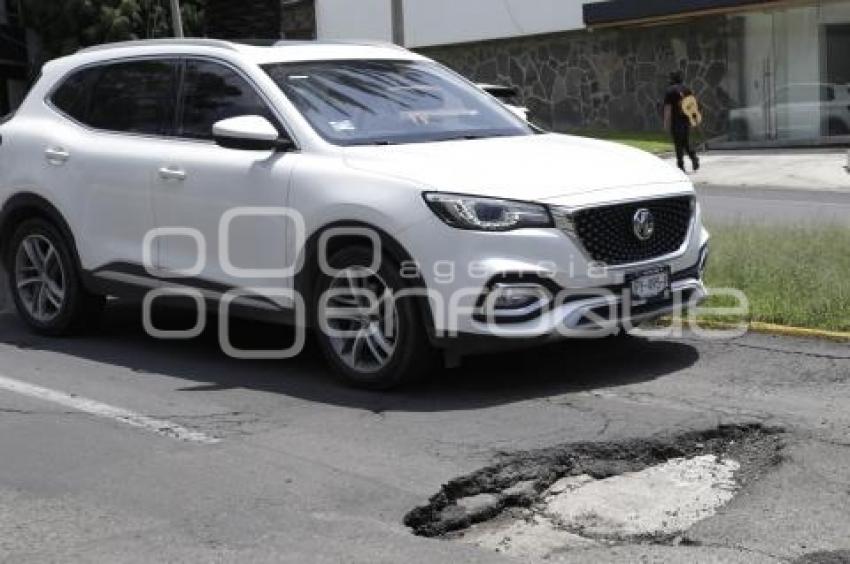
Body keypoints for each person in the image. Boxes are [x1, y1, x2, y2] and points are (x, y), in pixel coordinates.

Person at [663, 70, 700, 173]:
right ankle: (694, 157)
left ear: (672, 79)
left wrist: (666, 123)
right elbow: (693, 105)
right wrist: (694, 119)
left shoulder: (670, 91)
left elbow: (668, 109)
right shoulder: (687, 89)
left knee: (678, 144)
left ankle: (680, 166)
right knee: (686, 142)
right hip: (686, 120)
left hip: (676, 121)